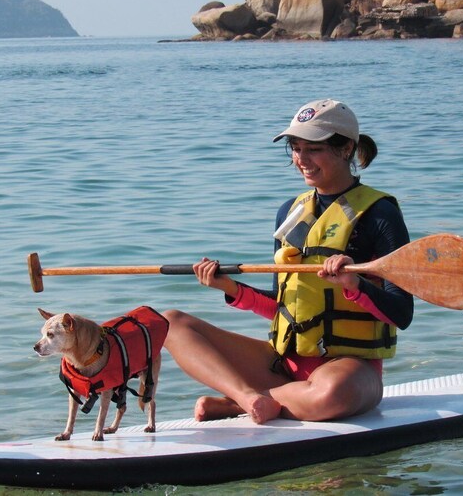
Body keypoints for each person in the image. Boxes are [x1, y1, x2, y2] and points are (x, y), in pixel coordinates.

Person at [162, 99, 413, 424]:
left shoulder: (381, 215)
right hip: (281, 364)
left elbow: (401, 312)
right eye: (295, 148)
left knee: (332, 395)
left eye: (313, 149)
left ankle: (238, 405)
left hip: (348, 370)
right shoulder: (290, 212)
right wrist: (230, 288)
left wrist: (354, 285)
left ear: (347, 148)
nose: (301, 160)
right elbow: (283, 306)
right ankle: (248, 397)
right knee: (170, 323)